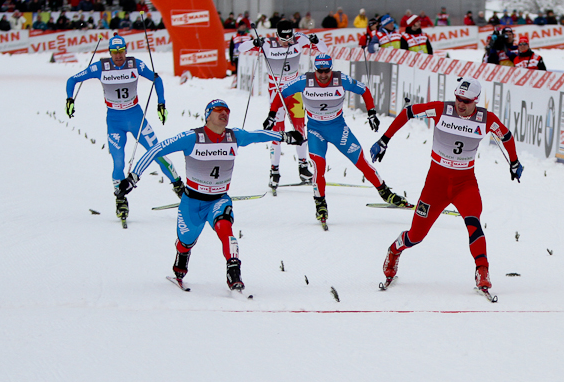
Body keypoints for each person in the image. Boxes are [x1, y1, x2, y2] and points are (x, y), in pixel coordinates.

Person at [116, 99, 304, 291]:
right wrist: (132, 178)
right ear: (208, 115)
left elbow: (257, 135)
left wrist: (285, 136)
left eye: (227, 111)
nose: (224, 113)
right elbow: (156, 149)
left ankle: (234, 273)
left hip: (219, 199)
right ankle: (182, 258)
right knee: (185, 241)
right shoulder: (192, 137)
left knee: (226, 229)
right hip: (192, 202)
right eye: (219, 110)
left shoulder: (234, 136)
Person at [369, 76, 522, 296]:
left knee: (473, 222)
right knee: (415, 236)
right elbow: (408, 112)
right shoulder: (442, 110)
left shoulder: (486, 119)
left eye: (466, 101)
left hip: (465, 183)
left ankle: (482, 271)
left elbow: (506, 136)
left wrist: (514, 162)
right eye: (458, 98)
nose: (461, 104)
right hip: (436, 184)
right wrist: (384, 140)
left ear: (476, 100)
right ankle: (394, 250)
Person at [263, 54, 410, 228]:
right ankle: (320, 204)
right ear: (315, 69)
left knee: (361, 161)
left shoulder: (341, 79)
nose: (323, 75)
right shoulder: (305, 80)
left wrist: (371, 113)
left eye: (327, 71)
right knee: (319, 166)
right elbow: (282, 93)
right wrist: (272, 115)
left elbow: (364, 89)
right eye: (320, 71)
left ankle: (385, 193)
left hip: (338, 128)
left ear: (331, 69)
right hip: (315, 130)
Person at [65, 35, 182, 221]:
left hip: (136, 117)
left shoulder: (135, 64)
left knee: (157, 152)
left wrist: (161, 104)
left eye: (121, 52)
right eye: (114, 52)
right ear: (109, 52)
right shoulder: (100, 67)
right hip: (114, 120)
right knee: (118, 162)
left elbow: (156, 79)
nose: (118, 56)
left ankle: (178, 186)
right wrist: (70, 99)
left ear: (126, 51)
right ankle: (120, 199)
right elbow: (72, 79)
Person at [238, 20, 327, 190]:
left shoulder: (299, 39)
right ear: (277, 35)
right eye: (283, 38)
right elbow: (241, 49)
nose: (287, 42)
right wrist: (254, 43)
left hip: (294, 91)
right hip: (276, 91)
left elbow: (324, 49)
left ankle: (303, 167)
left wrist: (316, 41)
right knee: (277, 131)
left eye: (289, 38)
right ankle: (274, 170)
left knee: (300, 129)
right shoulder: (268, 43)